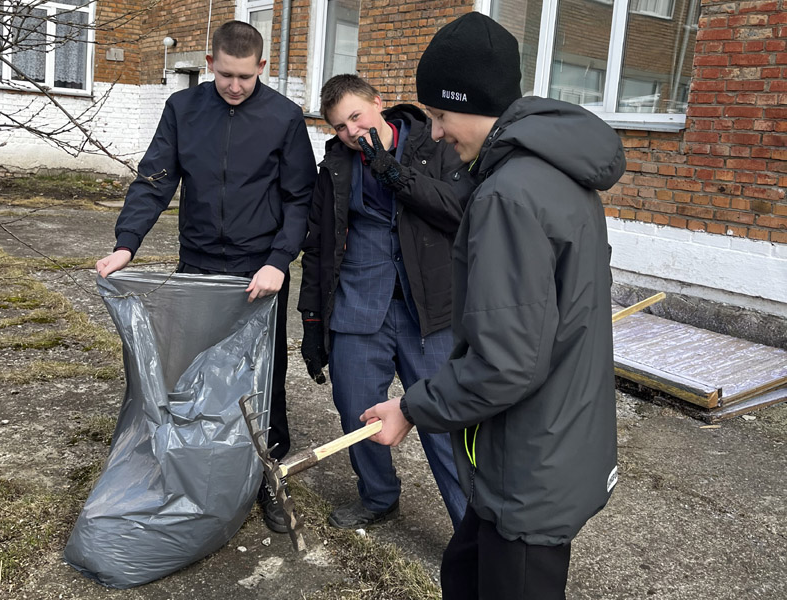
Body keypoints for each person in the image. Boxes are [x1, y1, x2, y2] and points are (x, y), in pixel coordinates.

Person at [361, 12, 625, 599]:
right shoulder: (556, 173)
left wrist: (413, 408)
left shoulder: (510, 195)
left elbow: (507, 362)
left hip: (528, 465)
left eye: (438, 114)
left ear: (473, 101)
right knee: (465, 574)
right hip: (548, 444)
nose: (433, 133)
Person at [95, 20, 317, 534]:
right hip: (197, 263)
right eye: (225, 75)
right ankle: (194, 466)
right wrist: (127, 243)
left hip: (256, 272)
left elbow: (298, 198)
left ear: (261, 67)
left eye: (245, 76)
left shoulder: (283, 117)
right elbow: (155, 179)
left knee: (263, 375)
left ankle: (267, 475)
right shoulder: (183, 110)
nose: (235, 86)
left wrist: (279, 260)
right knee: (192, 370)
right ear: (211, 63)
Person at [298, 74, 472, 530]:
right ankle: (377, 497)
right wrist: (313, 323)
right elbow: (318, 247)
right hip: (360, 308)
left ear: (379, 103)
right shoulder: (335, 167)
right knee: (357, 411)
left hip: (428, 312)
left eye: (356, 116)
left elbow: (458, 214)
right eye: (339, 126)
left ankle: (470, 527)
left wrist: (393, 172)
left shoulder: (436, 145)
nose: (352, 132)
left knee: (443, 420)